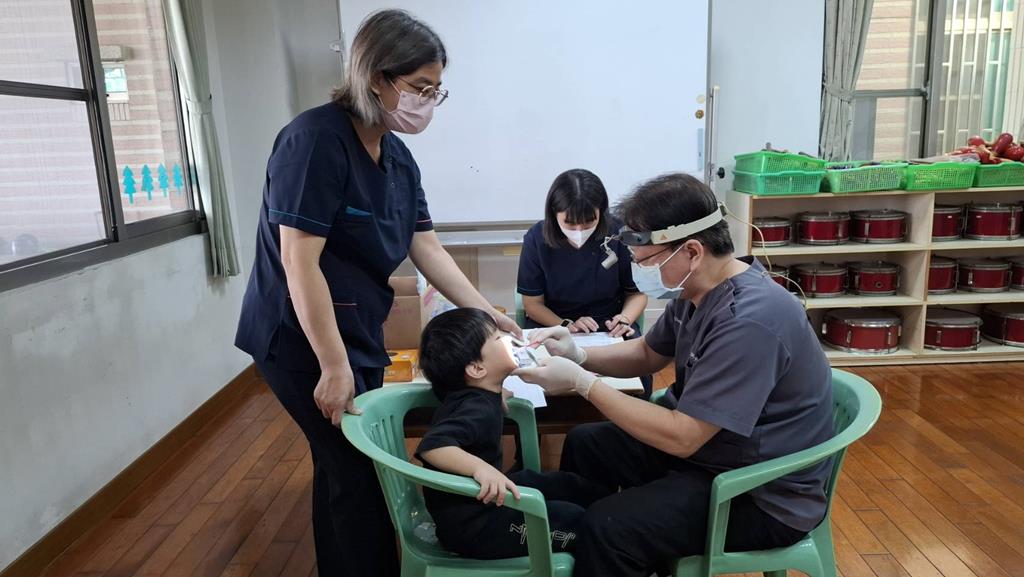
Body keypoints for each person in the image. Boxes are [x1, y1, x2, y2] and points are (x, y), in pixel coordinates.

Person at [234, 11, 521, 576]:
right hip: (299, 339)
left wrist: (487, 313)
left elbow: (428, 248)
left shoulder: (397, 157)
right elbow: (298, 262)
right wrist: (332, 365)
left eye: (436, 91)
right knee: (357, 471)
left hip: (355, 331)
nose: (428, 103)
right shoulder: (314, 142)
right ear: (375, 77)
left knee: (342, 467)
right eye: (419, 88)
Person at [514, 173, 834, 577]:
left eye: (646, 259)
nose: (640, 267)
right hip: (715, 454)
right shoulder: (697, 292)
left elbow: (684, 437)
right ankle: (608, 556)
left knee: (609, 528)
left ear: (692, 251)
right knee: (587, 443)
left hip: (756, 491)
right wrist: (579, 355)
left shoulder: (750, 321)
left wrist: (582, 383)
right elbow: (648, 353)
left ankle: (613, 549)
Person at [414, 308, 605, 559]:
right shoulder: (476, 408)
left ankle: (608, 509)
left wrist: (498, 395)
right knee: (574, 521)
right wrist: (479, 468)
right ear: (476, 369)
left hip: (483, 504)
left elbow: (470, 409)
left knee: (565, 485)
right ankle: (603, 536)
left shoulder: (479, 395)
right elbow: (434, 445)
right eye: (497, 338)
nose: (507, 338)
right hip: (474, 528)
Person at [517, 169, 652, 396]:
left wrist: (624, 319)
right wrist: (566, 325)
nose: (579, 231)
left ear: (602, 211)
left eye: (589, 222)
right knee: (534, 377)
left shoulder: (618, 233)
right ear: (554, 213)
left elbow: (637, 293)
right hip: (554, 323)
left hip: (608, 326)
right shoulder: (537, 239)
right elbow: (532, 305)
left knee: (640, 372)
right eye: (570, 224)